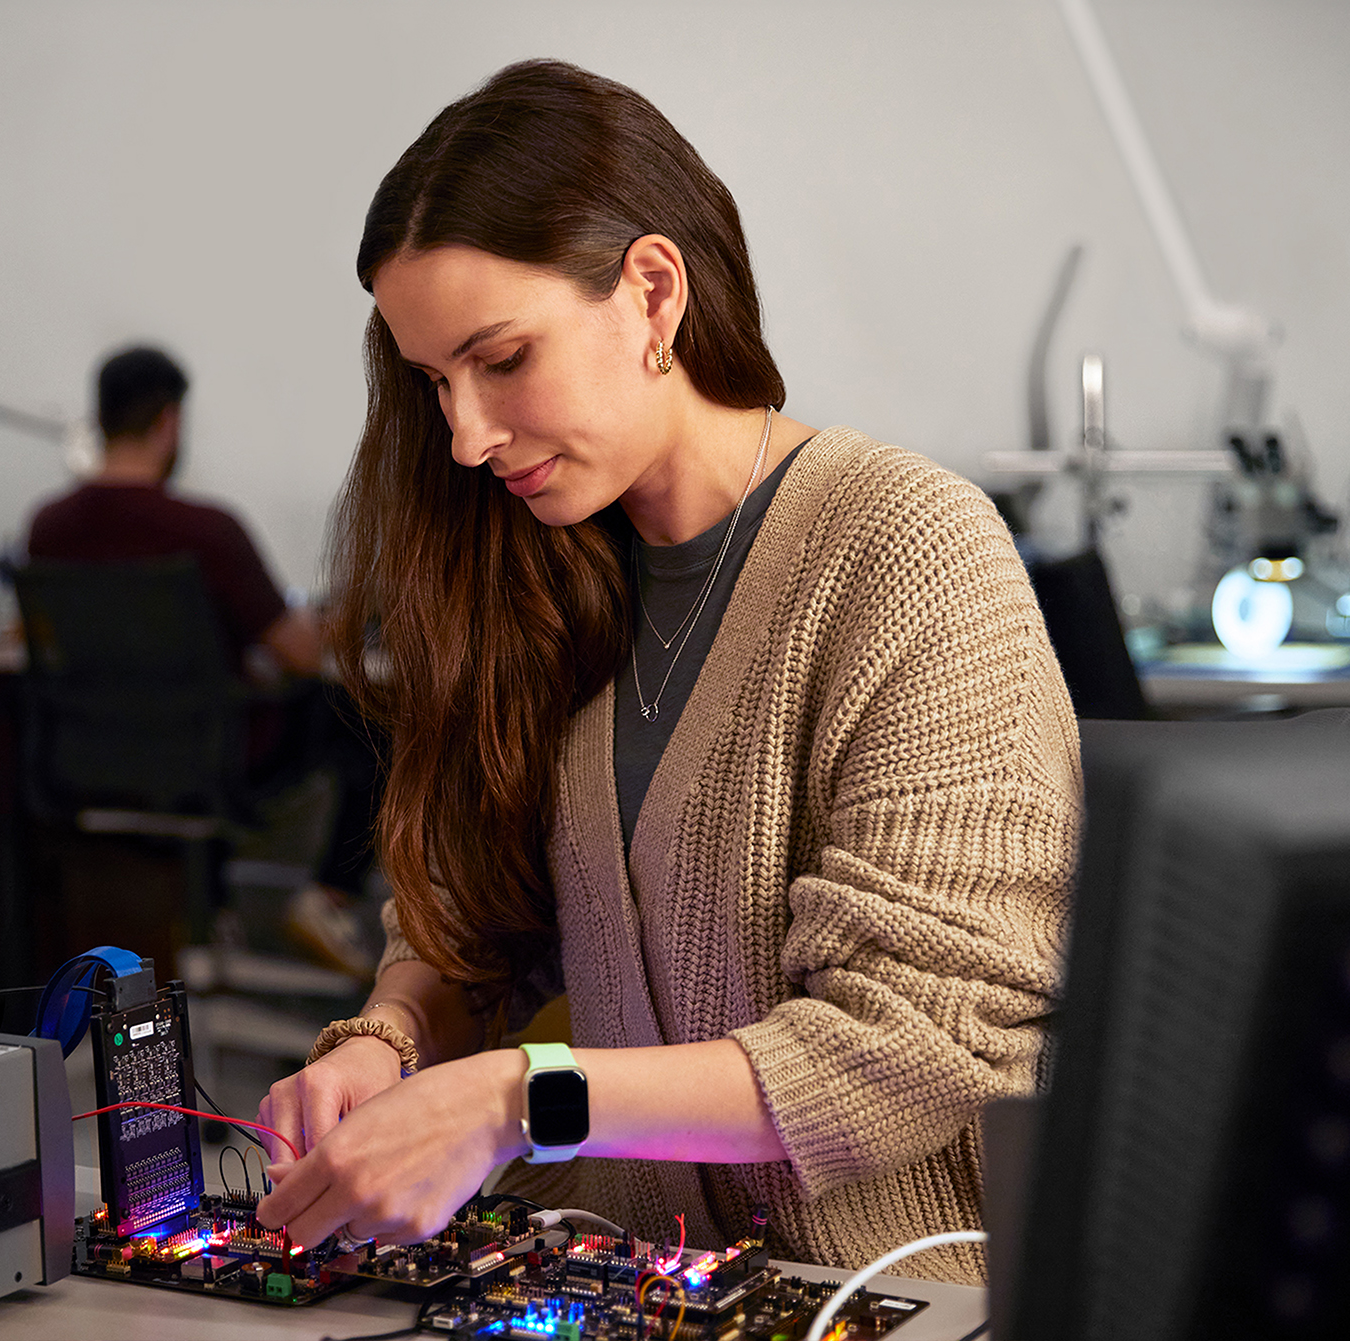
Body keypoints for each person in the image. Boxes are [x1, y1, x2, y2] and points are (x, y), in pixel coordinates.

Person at [252, 61, 1079, 1285]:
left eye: (503, 359)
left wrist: (516, 1100)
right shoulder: (547, 571)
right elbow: (475, 928)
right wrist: (389, 1040)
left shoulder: (907, 552)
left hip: (881, 1289)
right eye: (435, 383)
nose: (467, 438)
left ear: (651, 292)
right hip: (630, 1280)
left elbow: (919, 1042)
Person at [25, 345, 380, 975]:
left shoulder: (48, 527)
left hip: (96, 758)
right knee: (371, 720)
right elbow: (298, 654)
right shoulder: (206, 529)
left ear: (100, 418)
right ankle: (327, 897)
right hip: (213, 757)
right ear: (169, 422)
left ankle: (216, 914)